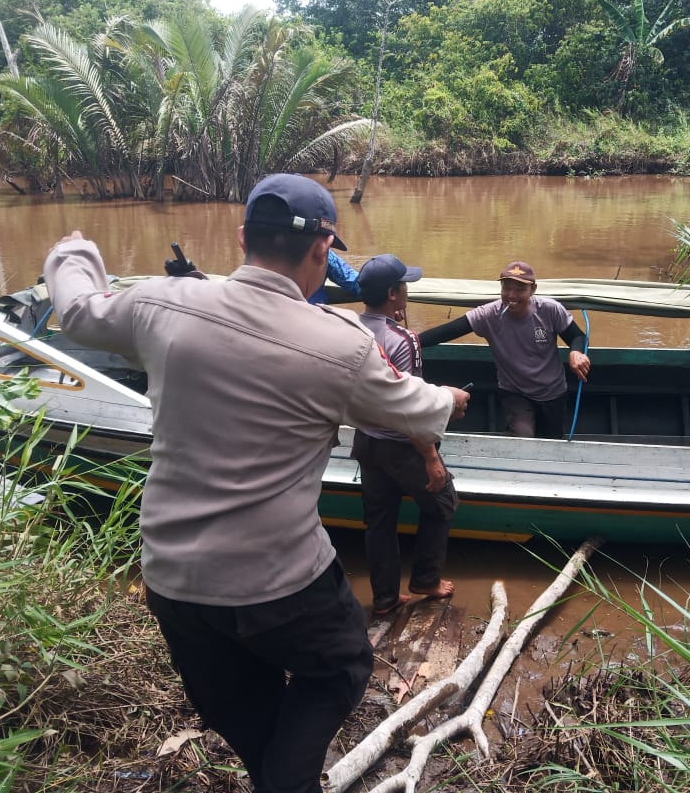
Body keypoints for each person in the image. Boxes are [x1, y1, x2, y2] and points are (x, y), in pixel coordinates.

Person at [42, 173, 470, 793]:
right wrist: (453, 399)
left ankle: (281, 779)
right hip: (281, 581)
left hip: (174, 578)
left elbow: (78, 311)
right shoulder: (340, 345)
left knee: (242, 705)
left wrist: (73, 253)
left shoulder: (163, 303)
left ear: (243, 236)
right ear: (324, 249)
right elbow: (418, 409)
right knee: (343, 667)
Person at [350, 254, 459, 615]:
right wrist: (430, 458)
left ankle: (384, 598)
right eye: (404, 286)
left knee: (379, 521)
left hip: (366, 442)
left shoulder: (351, 328)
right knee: (442, 502)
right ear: (393, 294)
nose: (407, 292)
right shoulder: (404, 339)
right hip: (402, 446)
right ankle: (426, 579)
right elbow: (409, 407)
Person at [418, 260, 590, 439]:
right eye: (506, 288)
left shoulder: (550, 309)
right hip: (515, 391)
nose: (511, 295)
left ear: (533, 289)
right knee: (523, 437)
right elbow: (448, 331)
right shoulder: (489, 314)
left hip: (553, 392)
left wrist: (576, 352)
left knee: (552, 442)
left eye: (519, 289)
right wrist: (410, 341)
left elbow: (578, 336)